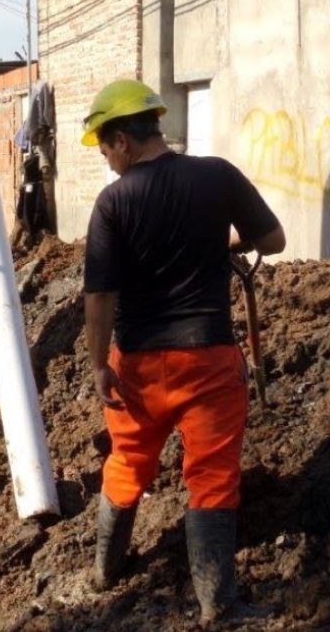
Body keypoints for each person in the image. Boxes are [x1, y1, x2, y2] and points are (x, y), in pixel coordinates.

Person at [80, 79, 286, 627]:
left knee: (127, 463)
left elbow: (100, 295)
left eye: (104, 147)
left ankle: (106, 572)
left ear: (124, 139)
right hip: (209, 360)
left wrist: (99, 363)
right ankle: (218, 603)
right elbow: (274, 242)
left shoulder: (113, 202)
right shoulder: (217, 175)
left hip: (138, 366)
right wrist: (226, 245)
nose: (105, 160)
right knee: (213, 475)